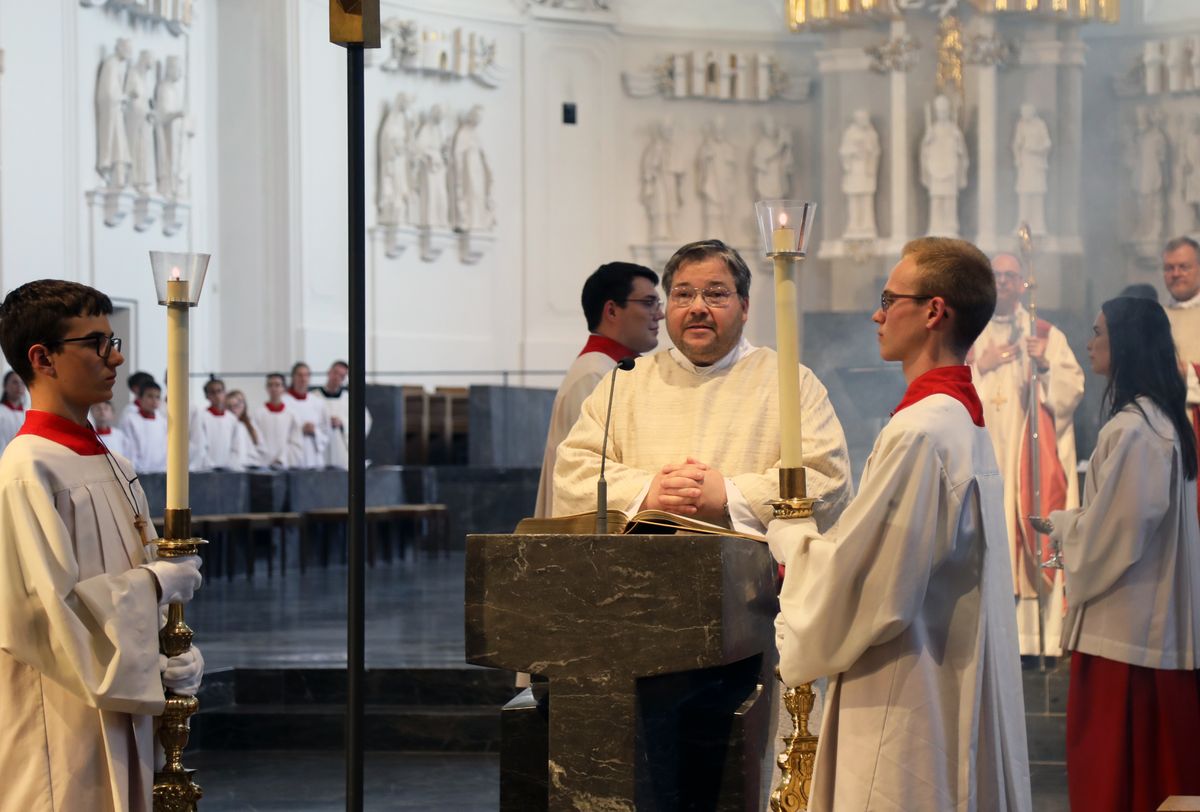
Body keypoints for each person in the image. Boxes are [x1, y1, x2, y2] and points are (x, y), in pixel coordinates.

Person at [769, 237, 1032, 810]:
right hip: (935, 673)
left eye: (889, 299)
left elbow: (871, 585)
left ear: (934, 311)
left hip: (901, 693)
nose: (877, 314)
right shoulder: (959, 419)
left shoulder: (922, 432)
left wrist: (794, 539)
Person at [0, 279, 203, 810]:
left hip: (127, 704)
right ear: (42, 358)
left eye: (112, 341)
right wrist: (154, 583)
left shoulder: (115, 463)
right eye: (96, 344)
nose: (115, 358)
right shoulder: (27, 470)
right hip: (64, 715)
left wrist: (170, 650)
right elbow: (45, 614)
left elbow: (146, 577)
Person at [1040, 297, 1200, 809]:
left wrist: (1065, 527)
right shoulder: (1156, 421)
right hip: (1139, 631)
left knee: (1119, 784)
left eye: (1098, 332)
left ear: (1125, 344)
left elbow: (1119, 533)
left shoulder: (1136, 429)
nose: (1089, 343)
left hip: (1128, 636)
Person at [970, 252, 1084, 656]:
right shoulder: (971, 332)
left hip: (1028, 458)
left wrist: (1046, 364)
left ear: (1023, 283)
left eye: (1010, 275)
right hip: (987, 457)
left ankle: (1039, 640)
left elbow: (1072, 392)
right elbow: (953, 391)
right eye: (996, 275)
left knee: (1029, 532)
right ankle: (996, 640)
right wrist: (980, 367)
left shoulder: (1045, 334)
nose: (1002, 282)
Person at [534, 262, 663, 518]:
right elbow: (587, 473)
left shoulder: (615, 368)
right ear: (612, 310)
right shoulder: (595, 374)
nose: (659, 314)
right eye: (648, 303)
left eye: (658, 304)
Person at [1162, 236, 1200, 510]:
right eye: (1169, 268)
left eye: (1183, 266)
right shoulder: (1157, 317)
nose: (1176, 274)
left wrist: (1188, 373)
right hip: (1163, 433)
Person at [920, 94, 969, 237]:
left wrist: (958, 142)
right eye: (940, 112)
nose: (942, 114)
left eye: (944, 111)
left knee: (949, 199)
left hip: (950, 168)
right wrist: (927, 141)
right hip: (935, 168)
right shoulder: (932, 129)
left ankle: (950, 226)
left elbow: (961, 151)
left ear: (948, 111)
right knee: (936, 199)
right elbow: (925, 151)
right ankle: (935, 226)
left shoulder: (954, 130)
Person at [313, 360, 373, 470]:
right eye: (335, 373)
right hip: (319, 451)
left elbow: (364, 422)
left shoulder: (350, 399)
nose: (337, 378)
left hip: (341, 451)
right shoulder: (313, 397)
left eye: (342, 376)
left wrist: (343, 423)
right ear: (329, 372)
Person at [189, 377, 246, 471]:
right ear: (207, 396)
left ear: (225, 393)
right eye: (212, 392)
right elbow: (199, 445)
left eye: (219, 391)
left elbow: (236, 447)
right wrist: (210, 465)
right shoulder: (201, 417)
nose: (217, 395)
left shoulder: (232, 419)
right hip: (206, 468)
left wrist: (230, 465)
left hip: (228, 469)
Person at [282, 362, 328, 469]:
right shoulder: (283, 402)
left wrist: (315, 431)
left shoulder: (318, 402)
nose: (303, 379)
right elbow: (279, 431)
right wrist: (299, 430)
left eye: (306, 375)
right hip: (292, 455)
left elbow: (325, 430)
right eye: (299, 375)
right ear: (293, 378)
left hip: (313, 453)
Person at [254, 373, 304, 468]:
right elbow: (256, 441)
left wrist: (281, 459)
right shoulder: (258, 414)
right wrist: (266, 459)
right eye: (270, 385)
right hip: (263, 463)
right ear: (266, 388)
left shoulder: (292, 414)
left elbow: (296, 442)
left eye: (277, 385)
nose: (274, 389)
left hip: (286, 463)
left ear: (283, 388)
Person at [123, 380, 167, 473]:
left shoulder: (163, 421)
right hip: (139, 472)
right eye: (150, 396)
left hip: (162, 471)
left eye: (157, 397)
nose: (154, 400)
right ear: (140, 398)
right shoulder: (130, 419)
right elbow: (129, 449)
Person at [225, 388, 264, 469]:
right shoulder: (226, 425)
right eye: (230, 406)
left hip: (250, 466)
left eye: (237, 404)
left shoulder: (251, 424)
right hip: (231, 467)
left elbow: (259, 447)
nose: (234, 409)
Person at [0, 369, 27, 452]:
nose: (19, 386)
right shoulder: (1, 412)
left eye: (22, 382)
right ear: (5, 386)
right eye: (15, 382)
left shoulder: (28, 413)